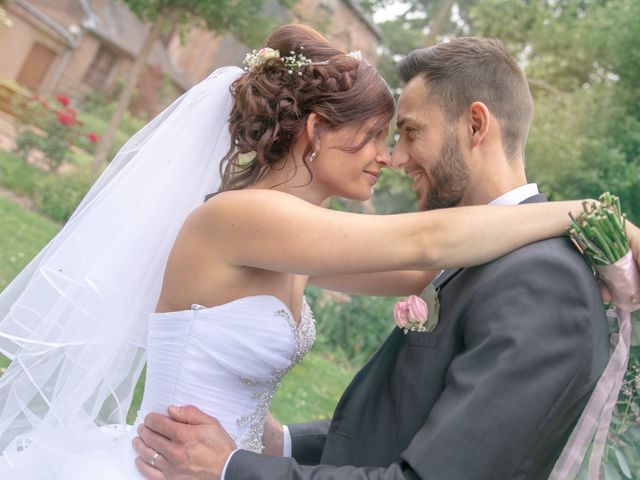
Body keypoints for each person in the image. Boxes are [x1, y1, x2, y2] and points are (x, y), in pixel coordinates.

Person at [0, 25, 635, 478]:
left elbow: (427, 268)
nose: (389, 157)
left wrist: (268, 446)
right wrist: (587, 214)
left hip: (221, 462)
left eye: (403, 135)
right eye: (375, 136)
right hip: (172, 464)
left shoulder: (298, 238)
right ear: (315, 131)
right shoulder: (242, 217)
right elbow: (428, 243)